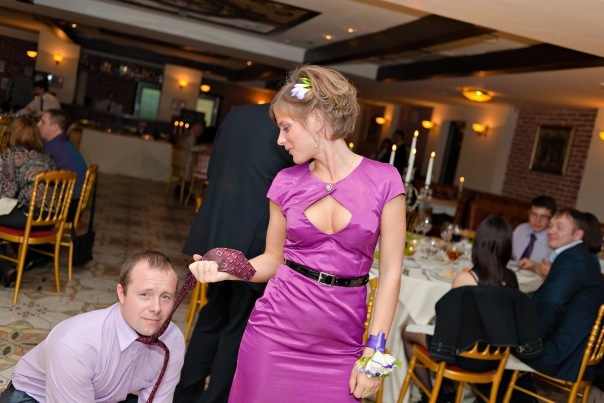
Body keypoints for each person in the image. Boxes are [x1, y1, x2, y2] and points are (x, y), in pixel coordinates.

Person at [188, 64, 406, 401]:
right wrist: (228, 269)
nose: (280, 140)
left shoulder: (385, 180)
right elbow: (274, 259)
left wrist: (375, 352)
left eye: (286, 127)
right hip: (273, 337)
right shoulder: (286, 182)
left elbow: (391, 272)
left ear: (316, 120)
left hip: (341, 346)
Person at [173, 104, 294, 403]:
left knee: (212, 314)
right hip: (256, 241)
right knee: (237, 326)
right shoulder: (291, 125)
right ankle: (213, 398)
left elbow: (214, 168)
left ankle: (186, 393)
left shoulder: (237, 113)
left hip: (218, 228)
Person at [3, 250, 185, 402]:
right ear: (122, 293)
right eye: (145, 294)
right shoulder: (75, 346)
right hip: (33, 396)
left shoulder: (173, 340)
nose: (156, 308)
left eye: (165, 297)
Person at [402, 216, 519, 400]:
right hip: (494, 358)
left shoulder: (466, 279)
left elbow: (447, 324)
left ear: (479, 244)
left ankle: (432, 395)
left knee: (408, 333)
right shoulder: (512, 279)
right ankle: (446, 390)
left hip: (463, 356)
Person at [520, 208, 604, 383]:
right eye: (551, 226)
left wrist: (529, 342)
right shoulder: (576, 255)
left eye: (559, 227)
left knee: (497, 340)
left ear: (578, 234)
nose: (551, 231)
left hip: (563, 354)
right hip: (570, 345)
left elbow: (553, 303)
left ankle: (500, 392)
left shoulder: (573, 260)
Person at [0, 116, 57, 287]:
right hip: (50, 218)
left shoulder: (11, 154)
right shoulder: (47, 157)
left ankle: (7, 271)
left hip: (29, 216)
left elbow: (9, 192)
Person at [514, 195, 556, 267]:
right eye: (534, 215)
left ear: (551, 218)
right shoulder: (520, 229)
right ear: (529, 213)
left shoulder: (554, 240)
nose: (538, 220)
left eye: (543, 217)